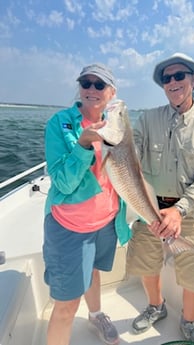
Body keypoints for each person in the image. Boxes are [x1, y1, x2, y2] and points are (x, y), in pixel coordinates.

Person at [126, 52, 194, 342]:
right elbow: (132, 159)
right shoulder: (147, 119)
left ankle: (190, 323)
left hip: (192, 213)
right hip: (150, 209)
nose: (172, 82)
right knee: (146, 263)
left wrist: (179, 210)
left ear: (193, 80)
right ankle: (156, 307)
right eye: (166, 78)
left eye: (178, 76)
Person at [43, 63, 131, 345]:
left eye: (99, 85)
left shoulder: (115, 124)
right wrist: (82, 146)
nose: (92, 89)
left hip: (106, 222)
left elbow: (127, 173)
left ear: (111, 92)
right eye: (86, 83)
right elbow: (63, 184)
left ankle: (96, 315)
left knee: (92, 271)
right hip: (70, 226)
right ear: (79, 87)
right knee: (66, 305)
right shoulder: (61, 123)